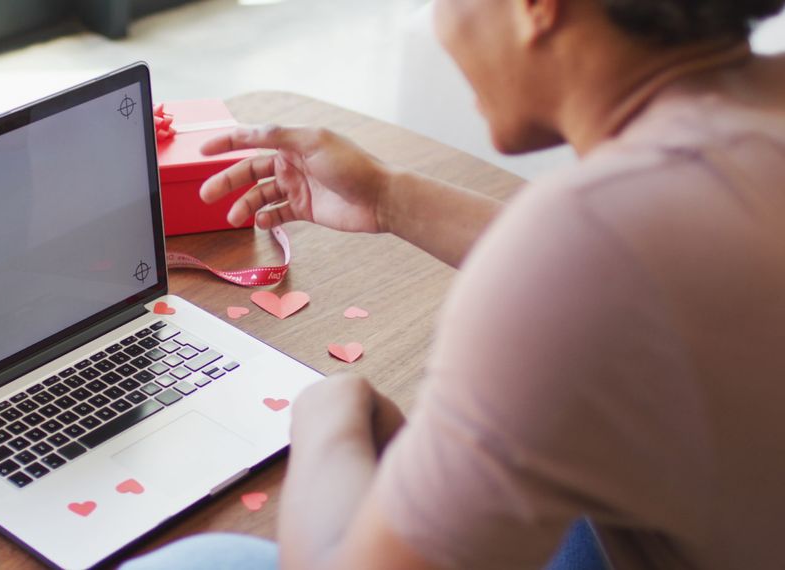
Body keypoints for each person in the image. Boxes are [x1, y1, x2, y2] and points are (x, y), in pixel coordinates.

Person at [123, 0, 785, 568]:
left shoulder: (590, 247)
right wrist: (389, 197)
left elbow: (590, 270)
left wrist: (330, 413)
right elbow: (631, 275)